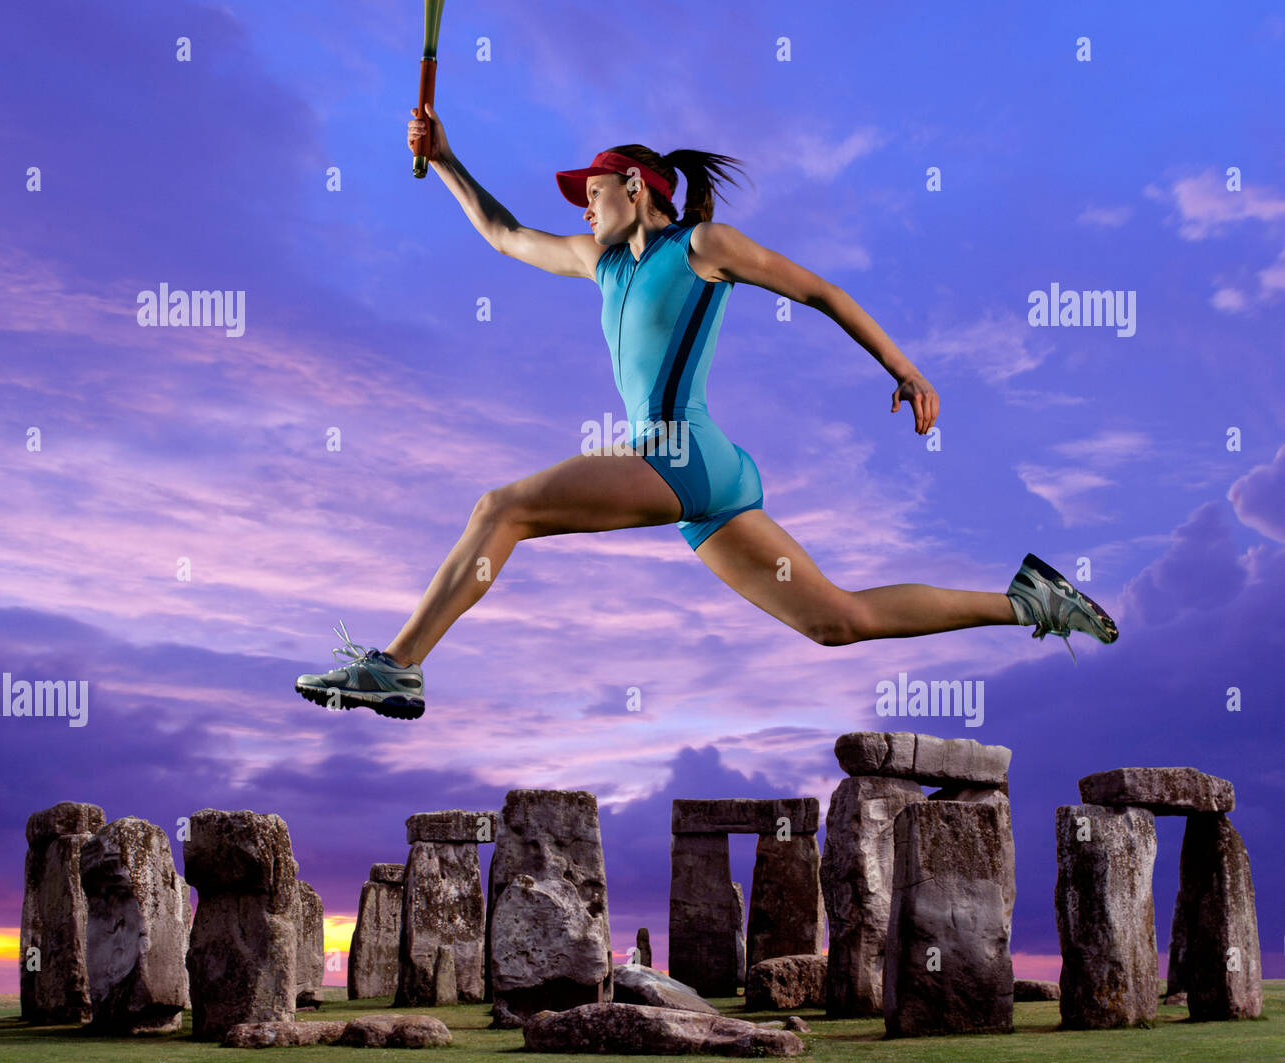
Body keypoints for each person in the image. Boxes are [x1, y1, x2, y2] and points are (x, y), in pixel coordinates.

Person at [293, 105, 1118, 719]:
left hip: (681, 454)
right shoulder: (600, 263)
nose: (583, 204)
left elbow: (818, 290)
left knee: (500, 508)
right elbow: (505, 233)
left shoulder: (700, 247)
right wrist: (444, 158)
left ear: (636, 186)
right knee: (839, 621)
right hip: (708, 481)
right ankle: (1031, 601)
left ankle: (399, 664)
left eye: (592, 189)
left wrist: (903, 367)